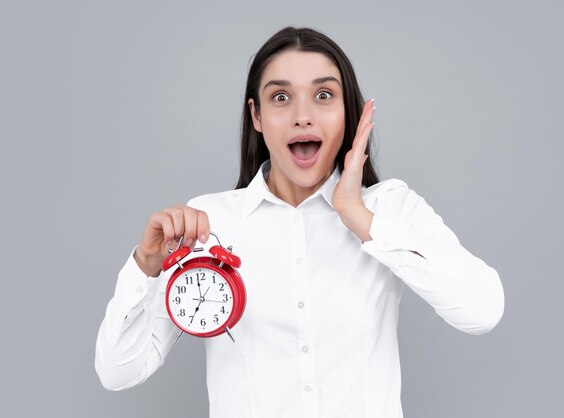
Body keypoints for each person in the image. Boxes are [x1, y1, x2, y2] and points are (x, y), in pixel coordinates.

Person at [95, 26, 505, 417]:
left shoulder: (387, 209)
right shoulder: (208, 224)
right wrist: (145, 266)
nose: (302, 117)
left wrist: (358, 216)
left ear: (348, 113)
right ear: (255, 115)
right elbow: (119, 372)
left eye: (324, 95)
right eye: (280, 98)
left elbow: (482, 310)